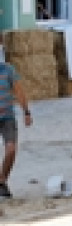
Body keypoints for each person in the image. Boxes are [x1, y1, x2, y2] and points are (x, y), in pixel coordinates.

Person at [0, 61, 31, 198]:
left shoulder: (8, 69)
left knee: (11, 149)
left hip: (7, 117)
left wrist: (26, 112)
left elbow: (19, 91)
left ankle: (2, 181)